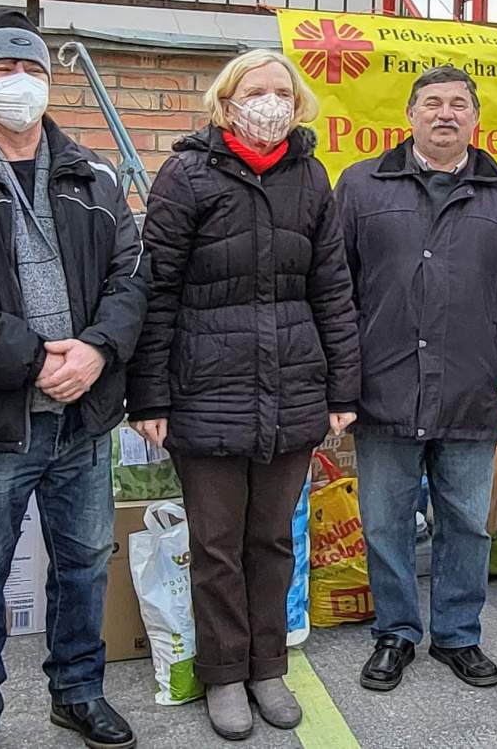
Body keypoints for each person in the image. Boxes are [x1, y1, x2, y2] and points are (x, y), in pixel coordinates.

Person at [0, 10, 146, 749]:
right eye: (3, 71)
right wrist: (39, 360)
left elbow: (132, 273)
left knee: (82, 568)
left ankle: (77, 692)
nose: (20, 84)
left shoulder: (93, 171)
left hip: (82, 420)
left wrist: (98, 351)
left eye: (33, 70)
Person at [126, 49, 360, 741]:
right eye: (255, 91)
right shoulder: (187, 175)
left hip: (293, 391)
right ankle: (225, 673)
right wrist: (150, 398)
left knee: (272, 541)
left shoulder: (311, 176)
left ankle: (267, 666)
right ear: (225, 102)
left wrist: (342, 387)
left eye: (281, 92)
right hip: (207, 392)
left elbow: (334, 291)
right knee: (218, 543)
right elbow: (156, 290)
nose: (270, 103)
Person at [334, 65, 497, 692]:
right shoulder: (360, 186)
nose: (445, 114)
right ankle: (396, 633)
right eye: (432, 103)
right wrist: (349, 365)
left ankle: (458, 636)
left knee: (465, 520)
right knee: (385, 523)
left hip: (469, 390)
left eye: (459, 104)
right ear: (408, 116)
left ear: (476, 119)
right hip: (384, 391)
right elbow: (333, 286)